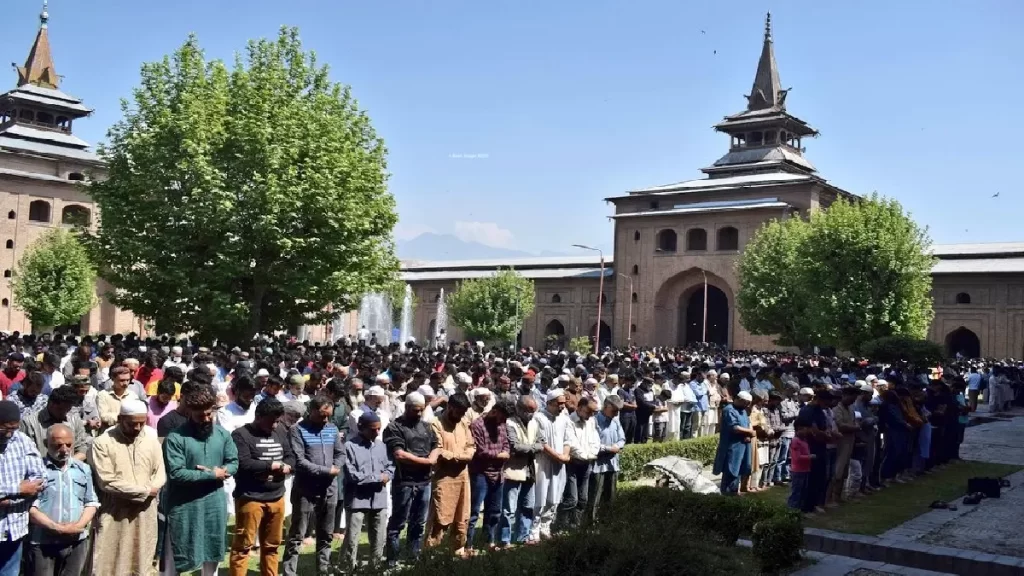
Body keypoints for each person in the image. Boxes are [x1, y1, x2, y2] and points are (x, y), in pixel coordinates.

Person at [163, 385, 239, 576]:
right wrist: (212, 475)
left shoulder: (222, 435)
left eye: (208, 414)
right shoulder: (176, 438)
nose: (205, 419)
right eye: (200, 416)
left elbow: (233, 462)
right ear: (189, 413)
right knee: (175, 552)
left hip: (214, 502)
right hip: (183, 504)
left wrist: (224, 470)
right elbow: (176, 473)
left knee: (212, 551)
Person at [90, 398, 165, 576]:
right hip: (115, 512)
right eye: (132, 424)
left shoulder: (151, 438)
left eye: (141, 423)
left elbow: (160, 472)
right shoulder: (103, 443)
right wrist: (145, 491)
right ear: (119, 419)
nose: (138, 428)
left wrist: (153, 488)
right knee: (109, 562)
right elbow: (107, 481)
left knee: (142, 560)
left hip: (145, 512)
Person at [229, 397, 295, 576]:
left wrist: (286, 466)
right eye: (271, 421)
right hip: (250, 498)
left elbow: (290, 456)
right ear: (258, 416)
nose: (274, 425)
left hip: (277, 496)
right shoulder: (241, 435)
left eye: (277, 420)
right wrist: (271, 466)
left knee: (272, 546)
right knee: (242, 547)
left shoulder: (280, 431)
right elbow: (243, 464)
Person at [282, 395, 344, 576]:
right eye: (322, 415)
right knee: (297, 535)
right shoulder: (297, 429)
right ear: (312, 411)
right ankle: (289, 572)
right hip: (305, 489)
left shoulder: (332, 428)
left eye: (328, 416)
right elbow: (299, 461)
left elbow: (340, 453)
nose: (326, 420)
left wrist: (337, 466)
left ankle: (323, 570)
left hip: (329, 489)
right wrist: (327, 470)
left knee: (326, 534)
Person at [26, 424, 99, 576]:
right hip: (44, 542)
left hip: (77, 540)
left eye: (68, 445)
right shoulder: (36, 470)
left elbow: (91, 502)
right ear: (46, 444)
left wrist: (77, 526)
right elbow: (30, 508)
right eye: (58, 445)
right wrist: (57, 528)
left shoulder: (82, 469)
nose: (64, 449)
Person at [382, 391, 438, 567]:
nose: (419, 413)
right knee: (398, 522)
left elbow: (436, 444)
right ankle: (392, 559)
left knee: (418, 522)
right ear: (406, 408)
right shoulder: (394, 427)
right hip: (404, 480)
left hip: (424, 481)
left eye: (421, 410)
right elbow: (399, 454)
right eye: (415, 410)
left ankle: (413, 556)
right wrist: (427, 461)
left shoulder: (427, 426)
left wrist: (433, 457)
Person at [340, 412, 393, 570]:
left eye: (379, 429)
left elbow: (390, 468)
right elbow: (353, 476)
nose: (376, 432)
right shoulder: (349, 447)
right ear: (361, 428)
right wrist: (378, 478)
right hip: (357, 498)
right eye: (372, 429)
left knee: (379, 535)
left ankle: (374, 566)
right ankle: (347, 567)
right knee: (352, 536)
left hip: (379, 497)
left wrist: (388, 476)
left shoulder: (382, 446)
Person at [424, 392, 475, 556]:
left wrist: (464, 456)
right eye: (458, 412)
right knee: (441, 516)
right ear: (450, 407)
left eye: (463, 412)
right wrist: (460, 457)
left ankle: (457, 548)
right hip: (443, 477)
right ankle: (431, 551)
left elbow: (471, 446)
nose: (460, 416)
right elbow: (439, 450)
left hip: (462, 477)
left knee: (462, 514)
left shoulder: (464, 423)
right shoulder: (435, 424)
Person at [0, 400, 46, 576]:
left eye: (14, 428)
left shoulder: (22, 440)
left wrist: (8, 499)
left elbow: (40, 479)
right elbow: (25, 488)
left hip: (14, 527)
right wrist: (17, 489)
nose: (9, 434)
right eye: (5, 429)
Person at [466, 400, 512, 550]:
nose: (503, 422)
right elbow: (480, 450)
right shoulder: (477, 425)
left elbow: (506, 444)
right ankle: (468, 544)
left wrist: (504, 453)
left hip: (498, 473)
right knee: (474, 511)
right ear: (494, 411)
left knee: (494, 511)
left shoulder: (502, 424)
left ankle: (488, 541)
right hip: (480, 472)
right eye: (502, 417)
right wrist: (500, 455)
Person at [499, 395, 540, 547]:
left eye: (534, 411)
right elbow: (515, 446)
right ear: (519, 409)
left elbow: (542, 442)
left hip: (530, 470)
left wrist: (530, 448)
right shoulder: (509, 423)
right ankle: (505, 540)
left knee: (528, 506)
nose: (532, 414)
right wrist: (534, 448)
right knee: (509, 509)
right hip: (513, 470)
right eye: (529, 410)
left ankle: (523, 537)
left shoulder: (534, 423)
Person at [530, 389, 570, 542]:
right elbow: (540, 441)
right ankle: (534, 529)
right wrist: (557, 456)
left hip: (560, 464)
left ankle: (546, 526)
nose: (562, 406)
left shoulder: (564, 418)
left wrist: (564, 455)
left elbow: (568, 440)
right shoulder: (539, 418)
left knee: (555, 496)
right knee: (540, 496)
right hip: (543, 463)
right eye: (559, 404)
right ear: (549, 403)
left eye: (563, 404)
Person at [558, 395, 599, 531]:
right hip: (573, 463)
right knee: (572, 498)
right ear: (580, 408)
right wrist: (584, 455)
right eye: (588, 412)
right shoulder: (569, 421)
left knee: (583, 498)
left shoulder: (591, 421)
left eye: (593, 413)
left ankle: (576, 526)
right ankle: (562, 525)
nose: (590, 415)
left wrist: (592, 453)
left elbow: (594, 439)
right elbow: (572, 444)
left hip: (587, 463)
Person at [20, 386, 88, 462]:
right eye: (61, 409)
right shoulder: (29, 423)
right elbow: (27, 454)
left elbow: (82, 448)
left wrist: (69, 464)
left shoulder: (74, 419)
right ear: (51, 404)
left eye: (68, 409)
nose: (64, 413)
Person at [589, 395, 625, 523]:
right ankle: (591, 523)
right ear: (606, 407)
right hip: (598, 466)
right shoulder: (594, 421)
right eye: (614, 410)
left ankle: (608, 522)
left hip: (613, 464)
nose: (616, 413)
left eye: (618, 411)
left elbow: (622, 439)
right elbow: (592, 444)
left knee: (611, 496)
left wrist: (617, 446)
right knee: (595, 497)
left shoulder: (616, 421)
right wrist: (608, 449)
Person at [712, 390, 754, 494]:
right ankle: (727, 494)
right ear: (739, 400)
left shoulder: (743, 411)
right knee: (730, 469)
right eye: (745, 403)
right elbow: (734, 427)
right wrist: (750, 432)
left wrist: (748, 435)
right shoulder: (728, 410)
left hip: (743, 445)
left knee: (741, 469)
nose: (747, 406)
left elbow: (747, 424)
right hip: (732, 446)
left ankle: (735, 491)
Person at [787, 417, 814, 511]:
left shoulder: (804, 440)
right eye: (805, 429)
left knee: (803, 491)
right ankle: (791, 509)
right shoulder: (796, 441)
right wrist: (810, 457)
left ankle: (799, 509)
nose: (807, 431)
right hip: (798, 470)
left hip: (805, 469)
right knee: (796, 491)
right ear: (799, 429)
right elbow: (797, 457)